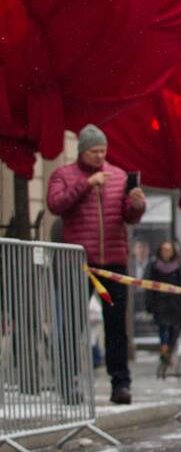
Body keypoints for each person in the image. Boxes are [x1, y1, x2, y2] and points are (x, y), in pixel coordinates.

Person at [47, 124, 145, 404]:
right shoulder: (64, 175)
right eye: (93, 151)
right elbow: (56, 204)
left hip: (114, 262)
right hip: (79, 263)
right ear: (81, 151)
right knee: (73, 324)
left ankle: (121, 385)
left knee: (116, 326)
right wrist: (85, 185)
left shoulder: (118, 176)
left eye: (103, 150)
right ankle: (69, 384)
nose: (99, 156)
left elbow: (128, 216)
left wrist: (137, 205)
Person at [145, 241, 181, 378]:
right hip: (160, 303)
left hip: (175, 304)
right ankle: (165, 350)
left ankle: (167, 351)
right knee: (163, 328)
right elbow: (149, 285)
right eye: (164, 250)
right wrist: (149, 304)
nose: (166, 253)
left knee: (175, 329)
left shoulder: (177, 266)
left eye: (169, 250)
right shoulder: (154, 266)